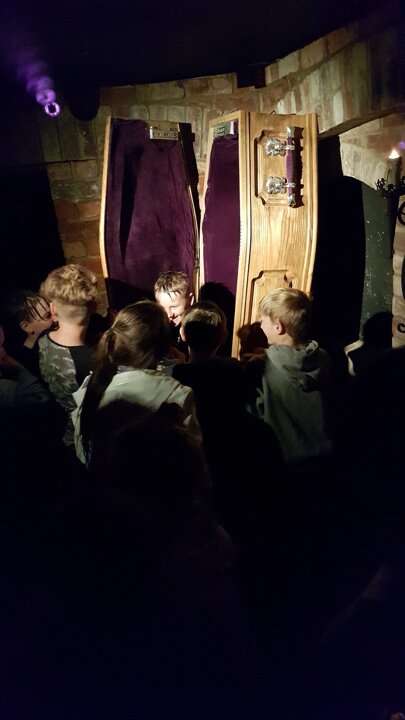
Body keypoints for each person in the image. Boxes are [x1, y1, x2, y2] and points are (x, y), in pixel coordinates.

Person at [72, 300, 202, 465]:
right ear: (164, 349)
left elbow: (84, 452)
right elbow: (192, 461)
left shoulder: (93, 384)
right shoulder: (176, 395)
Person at [254, 288, 332, 464]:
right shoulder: (324, 358)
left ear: (278, 326)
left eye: (262, 321)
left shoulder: (262, 366)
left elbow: (254, 414)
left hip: (280, 460)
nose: (260, 325)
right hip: (323, 459)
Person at [38, 264, 98, 445]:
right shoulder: (94, 363)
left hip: (55, 435)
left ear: (53, 309)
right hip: (86, 442)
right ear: (94, 306)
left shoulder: (42, 342)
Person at [0, 289, 53, 375]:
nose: (55, 318)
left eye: (54, 312)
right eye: (48, 316)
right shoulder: (35, 359)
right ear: (26, 327)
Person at [154, 270, 194, 359]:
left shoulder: (195, 328)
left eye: (174, 307)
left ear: (190, 300)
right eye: (163, 308)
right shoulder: (157, 327)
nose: (169, 314)